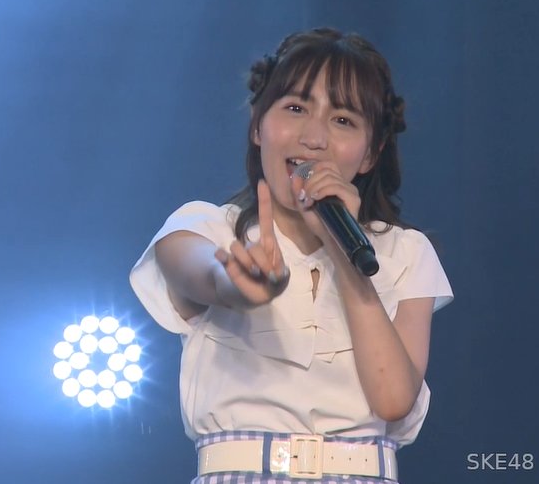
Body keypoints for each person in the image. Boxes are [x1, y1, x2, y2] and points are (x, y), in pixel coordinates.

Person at [130, 27, 453, 483]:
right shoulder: (205, 227)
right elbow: (196, 270)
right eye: (296, 108)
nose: (314, 138)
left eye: (343, 120)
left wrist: (342, 251)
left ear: (370, 153)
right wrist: (237, 287)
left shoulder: (405, 252)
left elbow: (393, 399)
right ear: (257, 126)